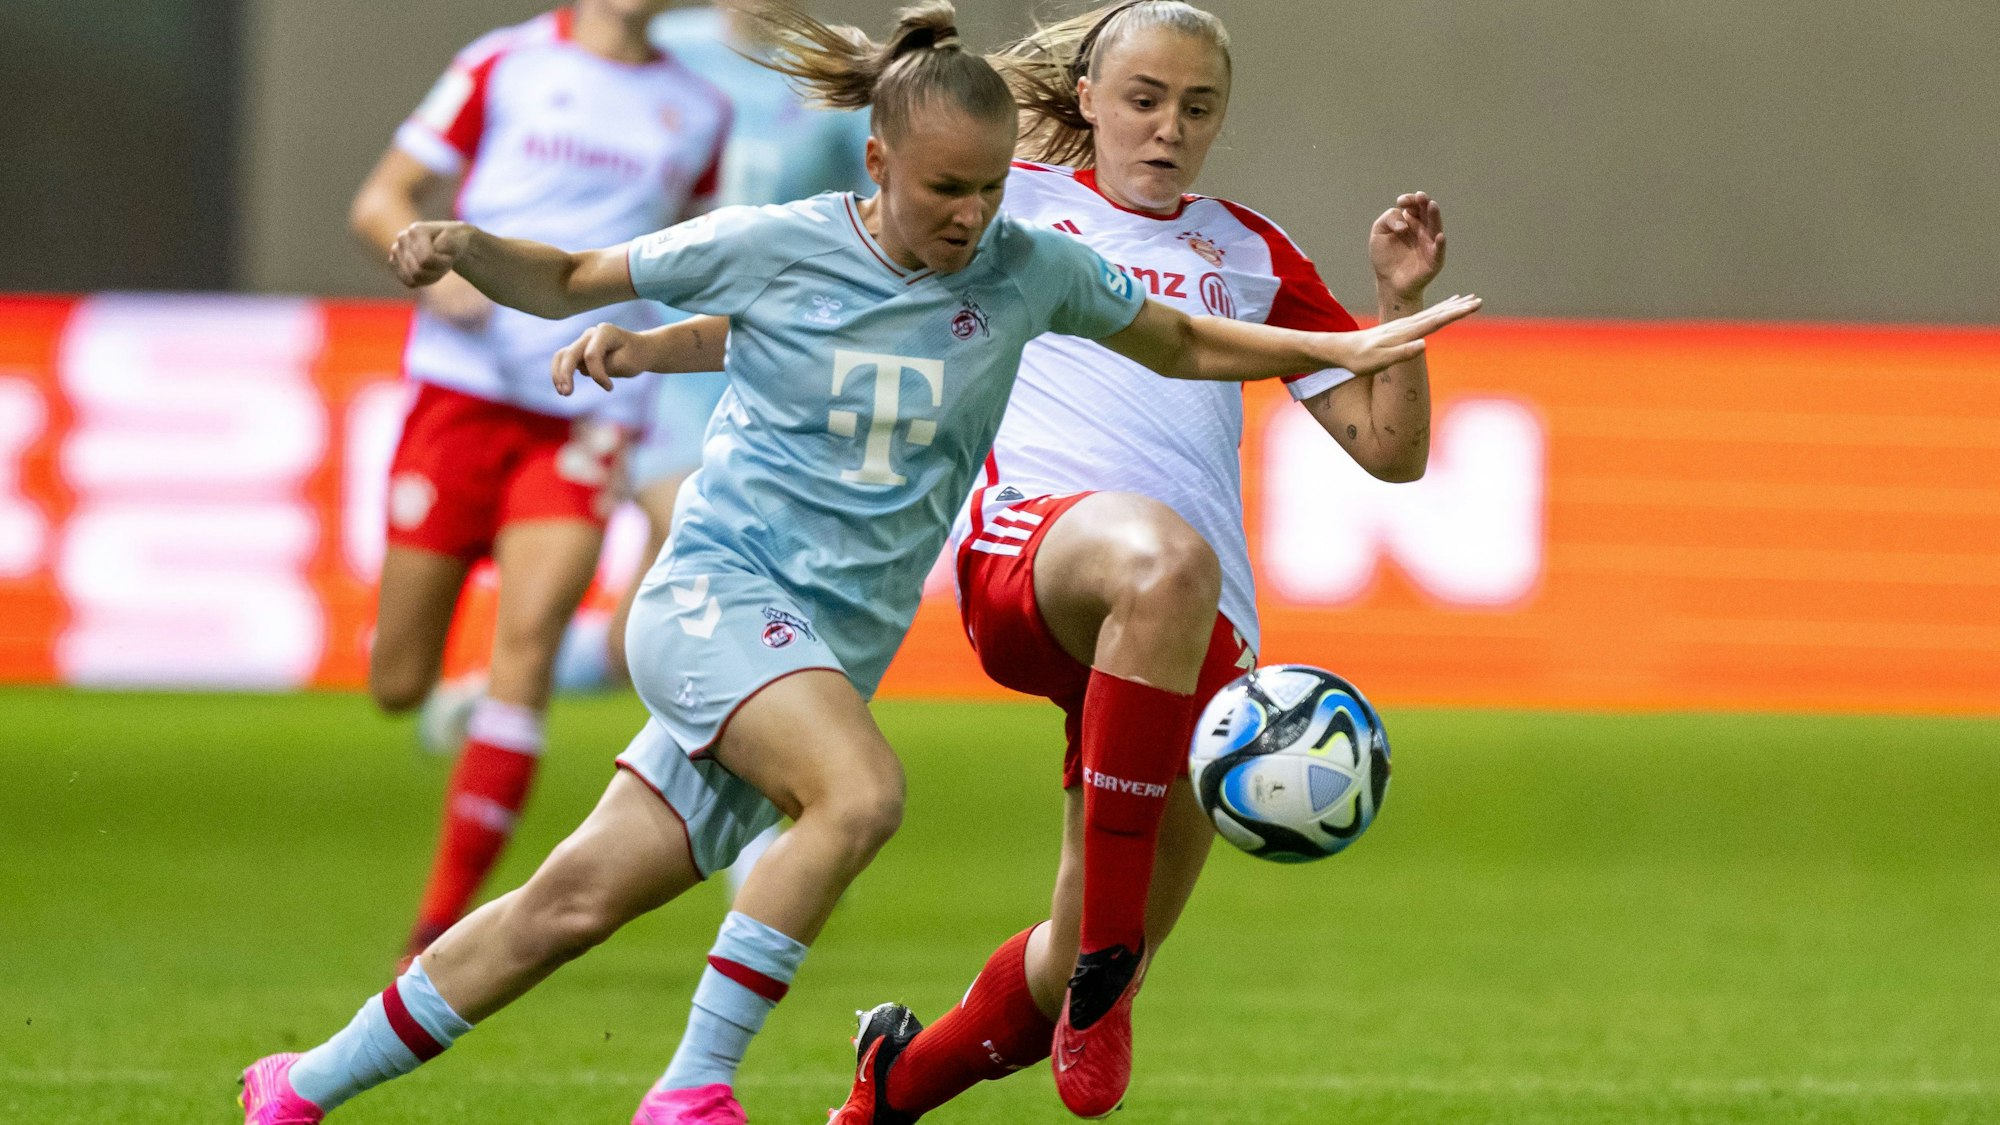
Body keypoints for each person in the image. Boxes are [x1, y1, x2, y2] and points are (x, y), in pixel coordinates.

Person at [239, 5, 1478, 1123]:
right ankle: (691, 1093)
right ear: (883, 162)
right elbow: (587, 280)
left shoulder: (1024, 257)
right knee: (867, 791)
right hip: (777, 590)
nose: (969, 216)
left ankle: (300, 1086)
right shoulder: (853, 227)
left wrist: (1382, 331)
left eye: (1196, 107)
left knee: (572, 902)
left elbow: (1195, 348)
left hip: (836, 642)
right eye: (948, 188)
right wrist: (470, 248)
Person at [830, 4, 1456, 1119]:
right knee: (1163, 563)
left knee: (1074, 940)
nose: (1169, 128)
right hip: (1037, 553)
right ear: (1085, 99)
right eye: (1143, 99)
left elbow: (1390, 453)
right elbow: (875, 214)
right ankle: (1104, 984)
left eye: (1196, 107)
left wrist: (1394, 307)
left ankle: (889, 1090)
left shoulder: (1248, 250)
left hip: (1189, 629)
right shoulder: (1009, 203)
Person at [346, 0, 731, 964]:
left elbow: (681, 254)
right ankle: (445, 709)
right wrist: (440, 281)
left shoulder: (698, 107)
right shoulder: (503, 62)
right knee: (398, 679)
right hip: (461, 395)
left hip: (585, 408)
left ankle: (436, 931)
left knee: (528, 644)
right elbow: (381, 199)